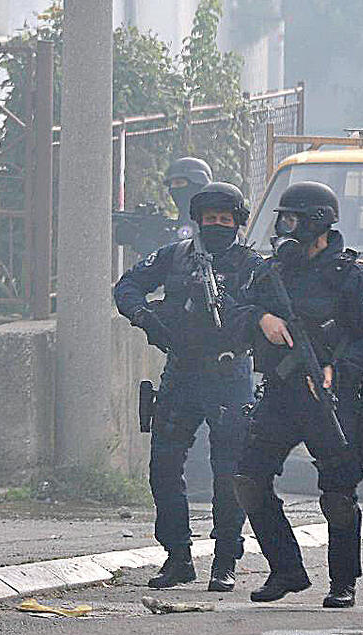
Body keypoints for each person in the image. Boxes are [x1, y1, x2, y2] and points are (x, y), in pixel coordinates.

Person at [233, 181, 363, 607]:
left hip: (331, 400)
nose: (286, 227)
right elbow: (236, 310)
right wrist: (261, 318)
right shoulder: (272, 271)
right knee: (249, 481)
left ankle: (343, 581)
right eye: (283, 219)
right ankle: (286, 569)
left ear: (317, 222)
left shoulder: (351, 276)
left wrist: (337, 370)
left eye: (293, 219)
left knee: (338, 495)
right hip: (280, 396)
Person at [114, 181, 262, 590]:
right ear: (197, 220)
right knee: (163, 467)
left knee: (229, 473)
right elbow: (127, 287)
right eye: (210, 218)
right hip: (181, 372)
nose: (217, 225)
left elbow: (273, 309)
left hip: (229, 375)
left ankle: (225, 560)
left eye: (225, 219)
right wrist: (146, 317)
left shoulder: (251, 265)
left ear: (237, 223)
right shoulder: (174, 256)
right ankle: (177, 556)